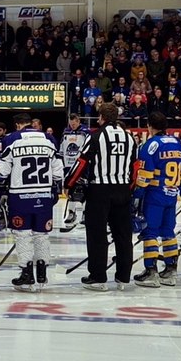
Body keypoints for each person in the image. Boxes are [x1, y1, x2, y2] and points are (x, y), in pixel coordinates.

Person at [62, 102, 134, 291]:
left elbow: (81, 163)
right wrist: (129, 188)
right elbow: (135, 168)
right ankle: (124, 277)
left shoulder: (95, 136)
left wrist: (68, 183)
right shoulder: (129, 138)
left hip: (100, 190)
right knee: (123, 235)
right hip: (123, 190)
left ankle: (98, 276)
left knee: (97, 234)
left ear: (101, 117)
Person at [0, 112, 66, 292]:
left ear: (18, 125)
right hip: (44, 196)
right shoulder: (49, 139)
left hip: (20, 197)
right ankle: (42, 273)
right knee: (41, 235)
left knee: (22, 235)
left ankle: (27, 274)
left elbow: (1, 172)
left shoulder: (12, 139)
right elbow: (59, 173)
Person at [132, 112, 181, 287]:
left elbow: (145, 176)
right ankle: (171, 270)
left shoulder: (151, 145)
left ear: (149, 125)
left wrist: (137, 195)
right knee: (168, 232)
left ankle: (151, 271)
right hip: (171, 194)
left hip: (155, 195)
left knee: (151, 232)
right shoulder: (177, 143)